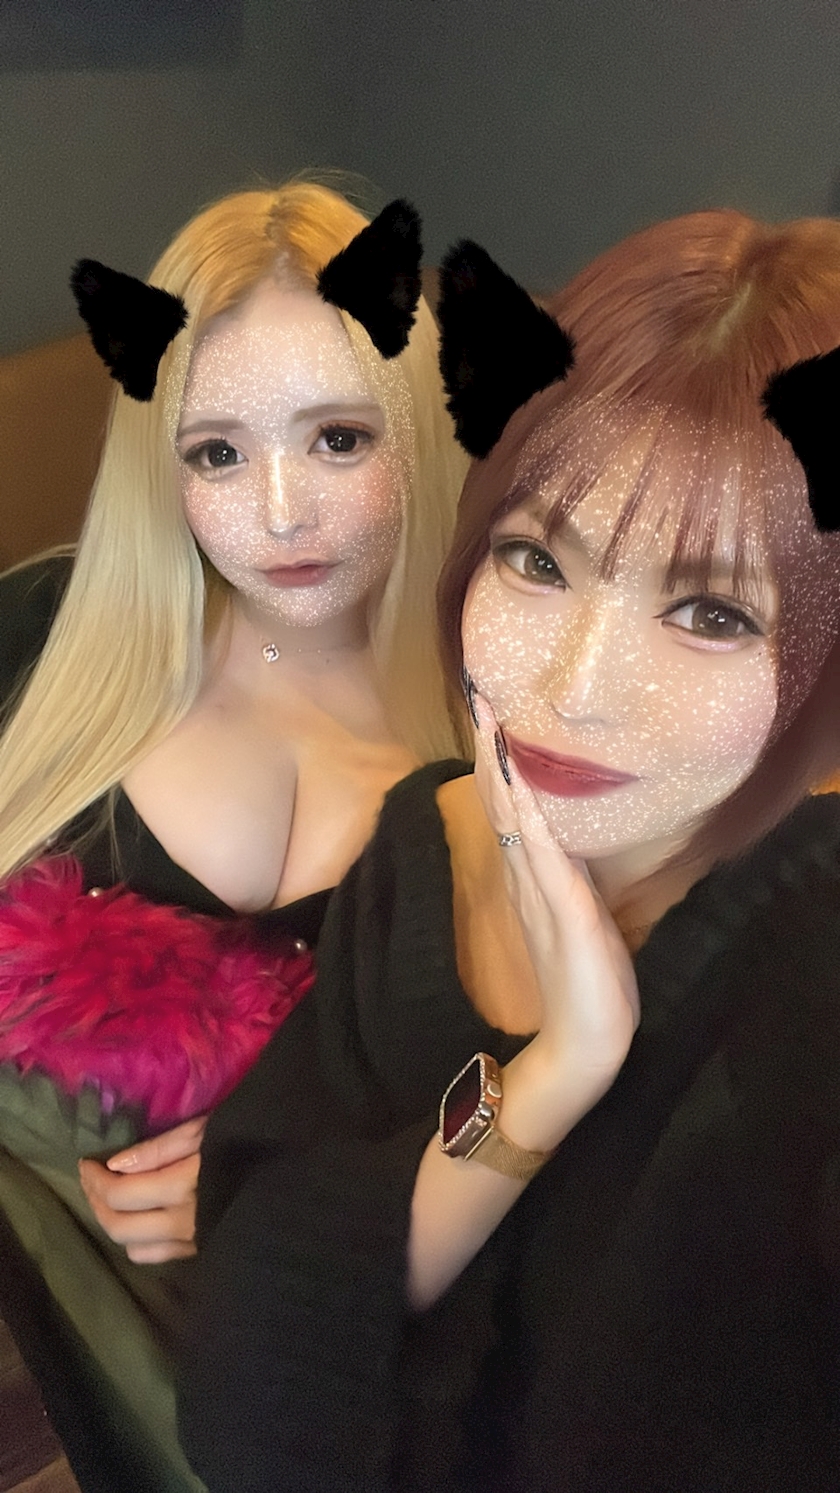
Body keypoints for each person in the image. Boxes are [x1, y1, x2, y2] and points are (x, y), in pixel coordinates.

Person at [179, 209, 840, 1493]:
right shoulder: (423, 841)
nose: (575, 688)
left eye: (712, 612)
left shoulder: (813, 979)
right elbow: (250, 1390)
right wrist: (550, 1077)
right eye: (537, 558)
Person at [0, 182, 466, 1493]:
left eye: (337, 438)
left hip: (354, 1403)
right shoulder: (48, 646)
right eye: (216, 452)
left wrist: (309, 1169)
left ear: (421, 428)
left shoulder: (515, 735)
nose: (280, 511)